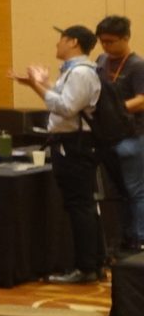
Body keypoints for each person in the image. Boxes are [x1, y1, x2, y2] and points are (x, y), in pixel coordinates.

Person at [17, 26, 104, 285]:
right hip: (73, 144)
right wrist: (41, 84)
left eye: (61, 40)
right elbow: (63, 98)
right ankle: (93, 263)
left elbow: (66, 107)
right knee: (82, 205)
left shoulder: (80, 73)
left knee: (80, 206)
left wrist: (37, 86)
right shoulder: (74, 72)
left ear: (73, 42)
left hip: (75, 145)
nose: (57, 44)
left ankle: (86, 267)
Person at [91, 15, 143, 254]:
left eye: (111, 41)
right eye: (102, 41)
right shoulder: (101, 61)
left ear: (126, 38)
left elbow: (142, 100)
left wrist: (115, 109)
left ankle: (139, 239)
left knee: (135, 190)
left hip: (133, 136)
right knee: (118, 192)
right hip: (106, 136)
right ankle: (124, 237)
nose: (106, 46)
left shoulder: (137, 65)